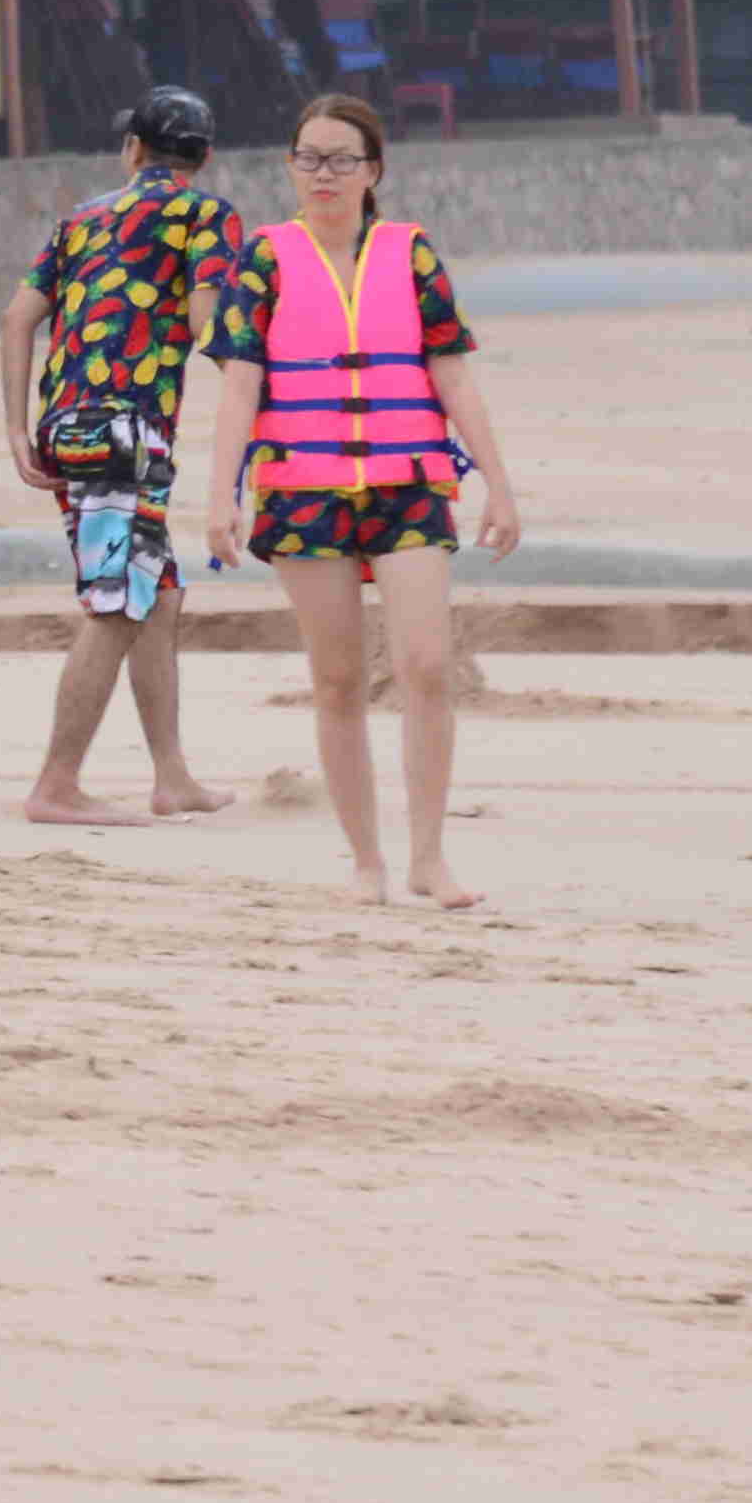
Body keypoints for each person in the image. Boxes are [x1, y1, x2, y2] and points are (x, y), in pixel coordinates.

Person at [181, 87, 526, 908]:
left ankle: (428, 858)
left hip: (408, 485)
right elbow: (239, 388)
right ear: (290, 167)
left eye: (341, 160)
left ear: (373, 170)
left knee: (427, 667)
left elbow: (453, 376)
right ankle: (367, 861)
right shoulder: (263, 259)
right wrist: (221, 496)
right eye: (309, 158)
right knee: (337, 681)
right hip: (304, 490)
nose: (323, 174)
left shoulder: (411, 254)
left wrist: (501, 484)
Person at [2, 86, 243, 827]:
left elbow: (17, 319)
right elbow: (204, 321)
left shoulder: (81, 219)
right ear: (204, 157)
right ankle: (56, 785)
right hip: (127, 431)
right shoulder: (207, 215)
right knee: (114, 604)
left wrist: (18, 431)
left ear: (132, 149)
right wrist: (262, 387)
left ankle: (172, 778)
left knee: (158, 596)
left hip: (68, 424)